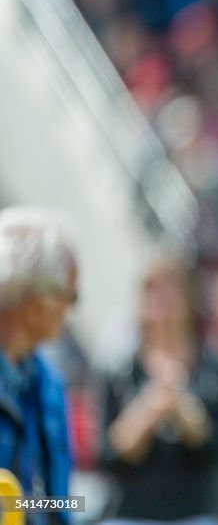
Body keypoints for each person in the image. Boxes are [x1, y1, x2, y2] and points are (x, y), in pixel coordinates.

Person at [99, 254, 218, 525]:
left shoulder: (214, 369)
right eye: (151, 289)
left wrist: (181, 405)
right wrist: (151, 406)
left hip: (196, 512)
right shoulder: (120, 371)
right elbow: (110, 453)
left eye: (171, 288)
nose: (162, 300)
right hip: (131, 513)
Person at [0, 207, 79, 525]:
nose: (72, 307)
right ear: (33, 302)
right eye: (69, 295)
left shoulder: (49, 384)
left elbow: (60, 503)